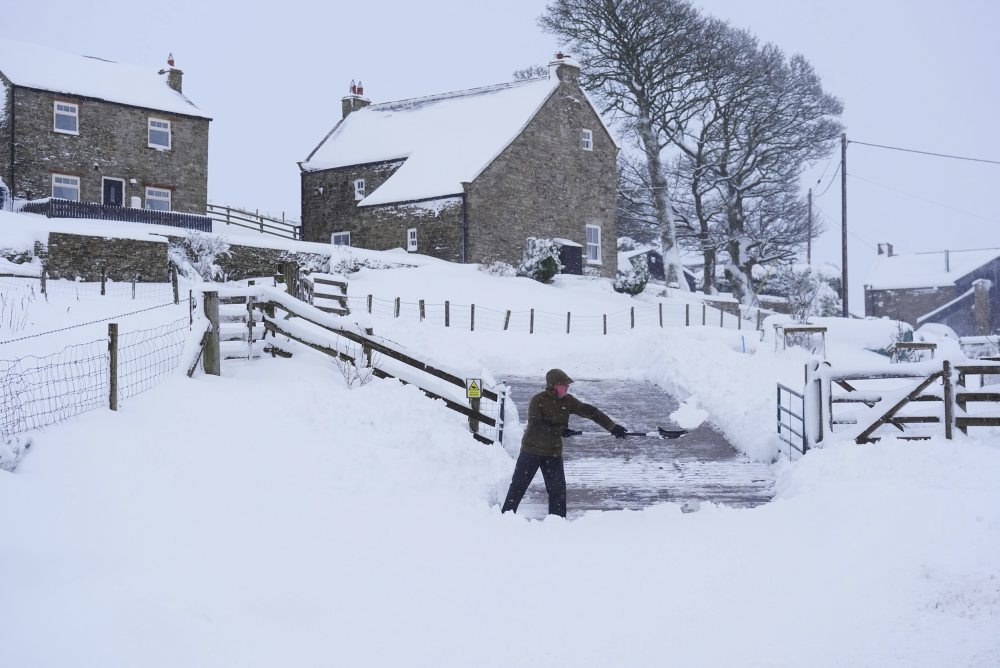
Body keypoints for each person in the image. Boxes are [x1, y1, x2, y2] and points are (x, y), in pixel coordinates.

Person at [501, 369, 628, 518]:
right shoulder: (538, 400)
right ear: (553, 385)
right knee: (518, 487)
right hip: (531, 451)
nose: (567, 387)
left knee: (558, 491)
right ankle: (504, 521)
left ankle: (557, 524)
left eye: (568, 384)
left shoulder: (568, 401)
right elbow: (536, 425)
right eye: (564, 384)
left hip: (552, 453)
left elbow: (590, 411)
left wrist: (612, 427)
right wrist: (560, 430)